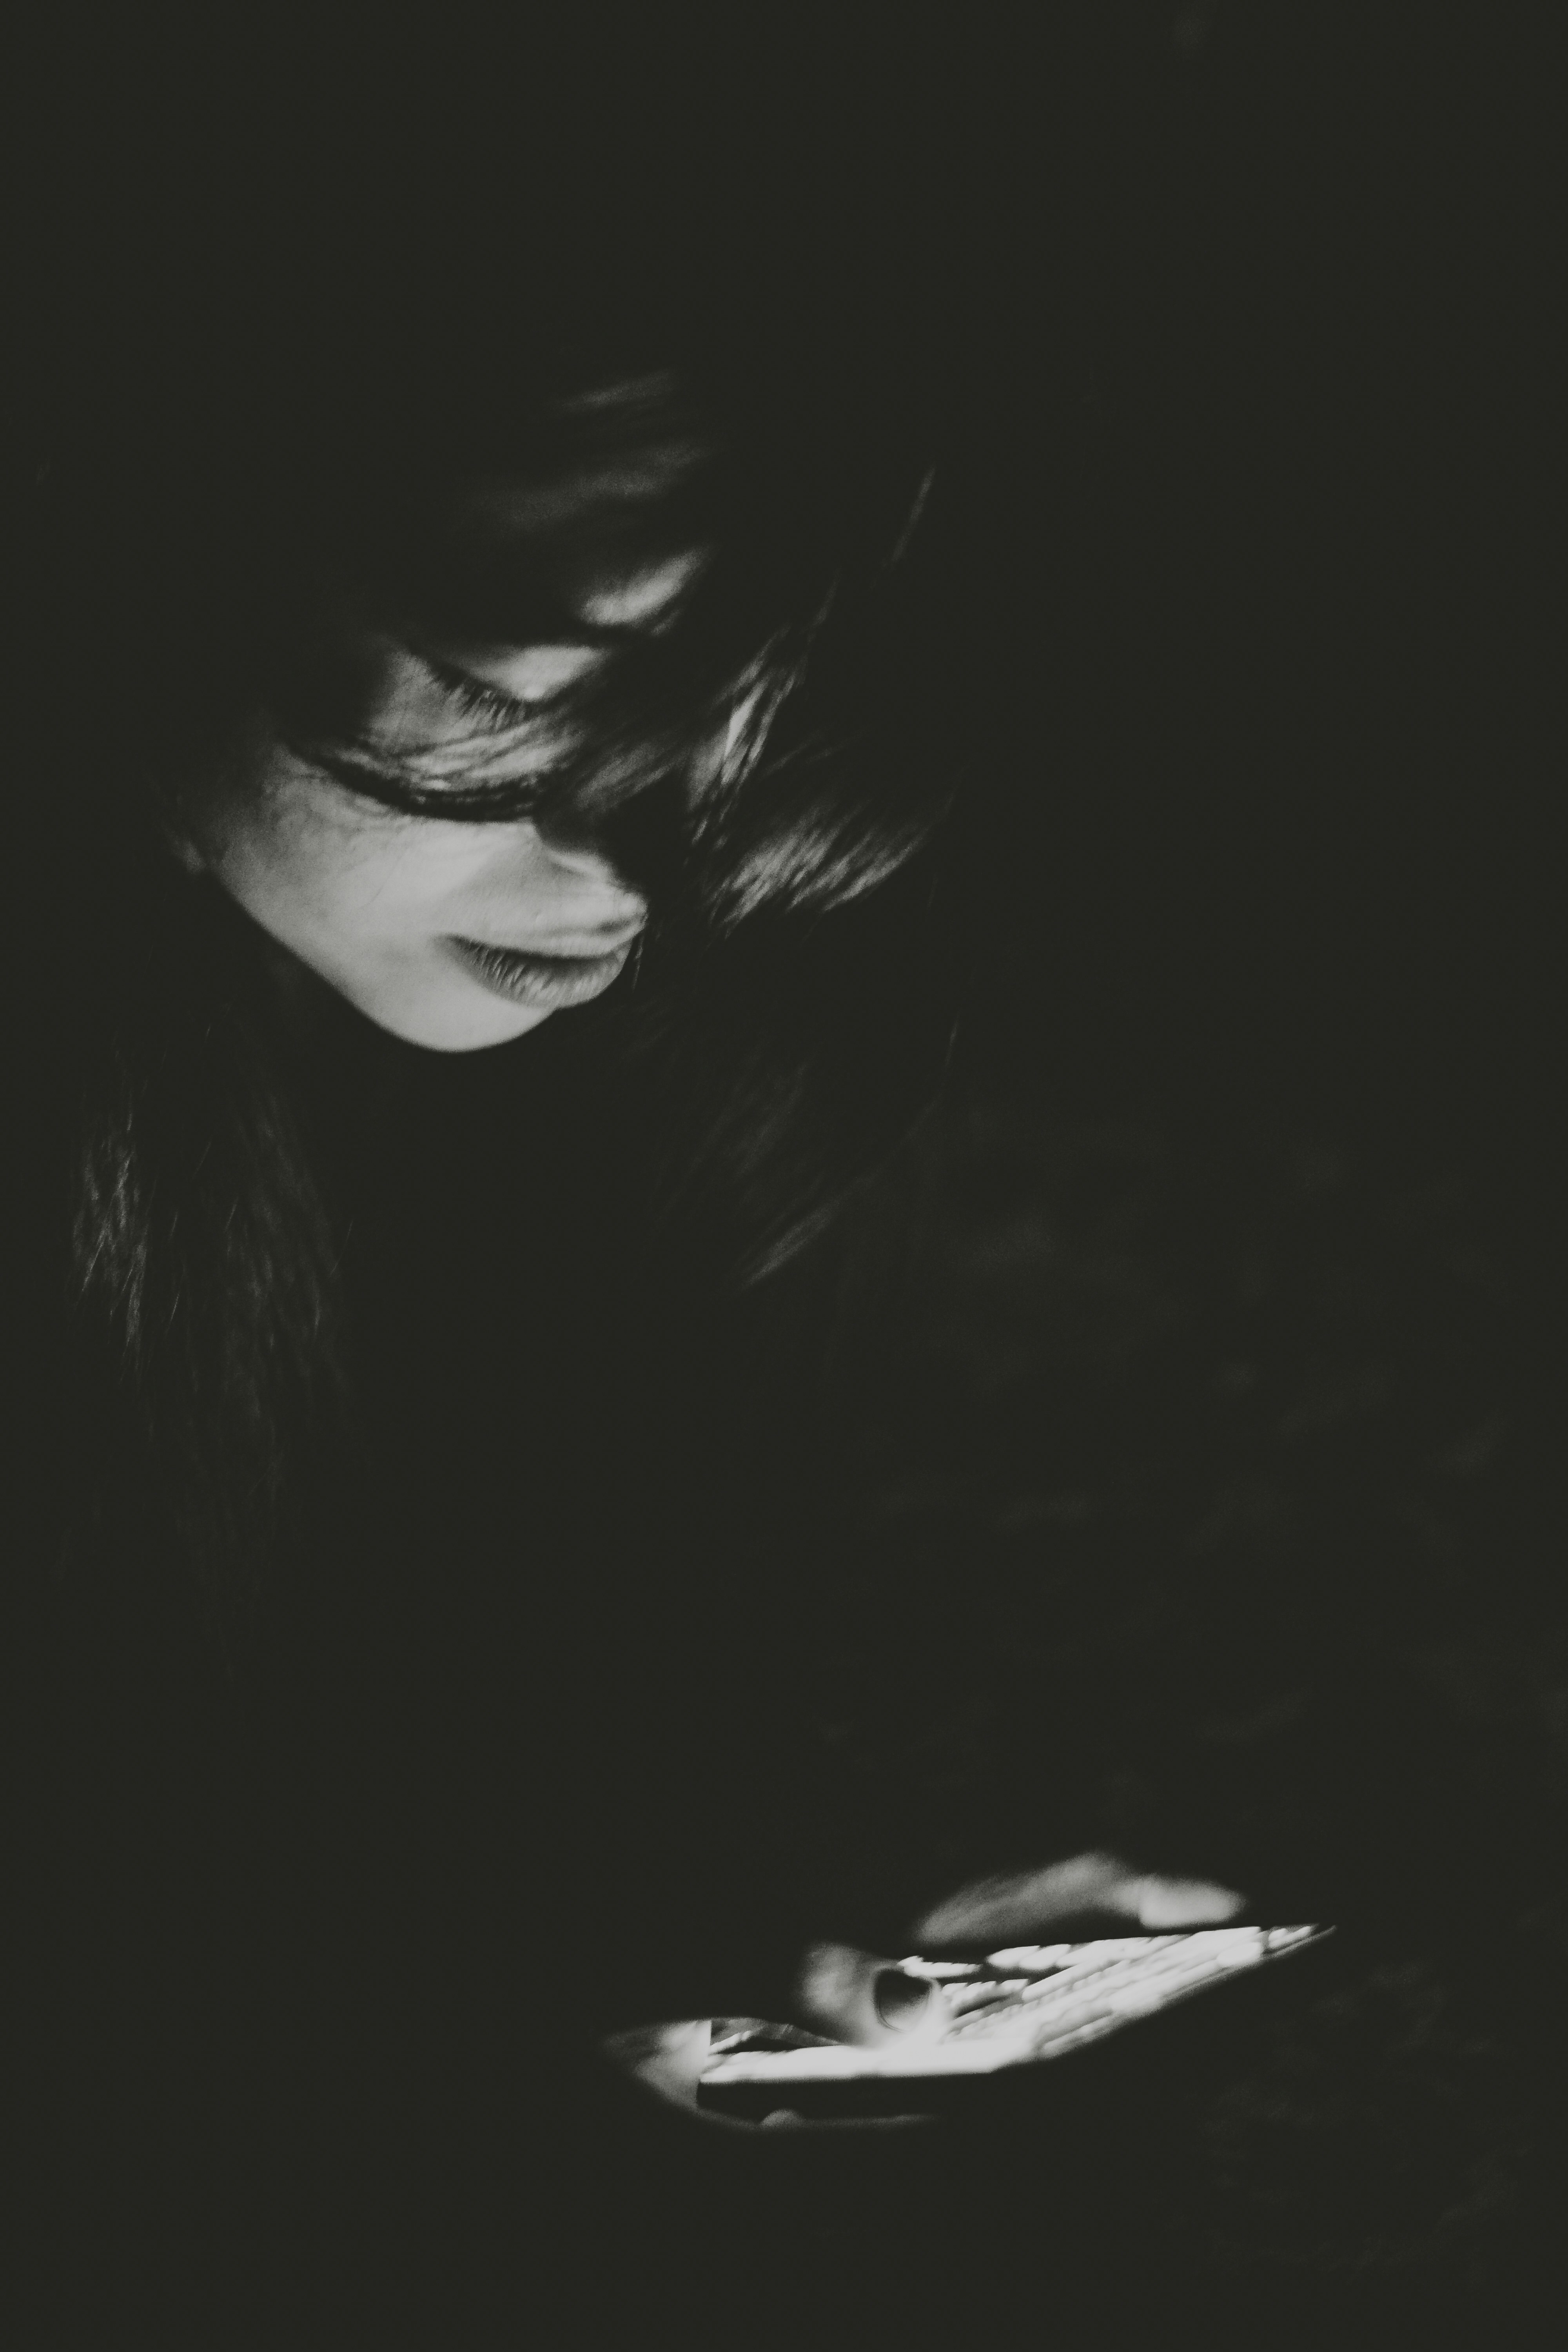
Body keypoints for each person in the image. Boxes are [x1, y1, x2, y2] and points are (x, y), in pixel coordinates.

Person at [10, 38, 1243, 2343]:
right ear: (158, 537)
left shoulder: (635, 1103)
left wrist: (750, 2002)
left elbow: (413, 1828)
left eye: (754, 741)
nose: (641, 871)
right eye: (542, 702)